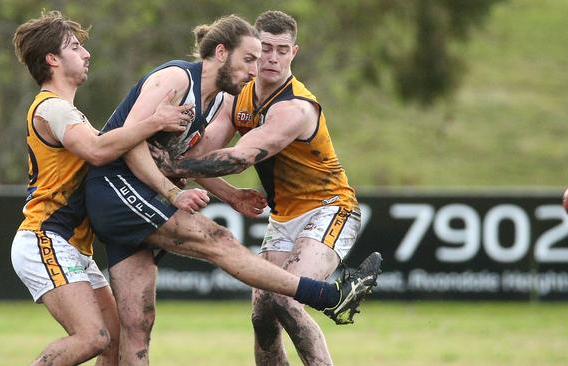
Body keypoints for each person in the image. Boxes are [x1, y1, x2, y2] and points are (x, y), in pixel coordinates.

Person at [84, 14, 381, 365]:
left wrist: (179, 174)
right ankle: (331, 296)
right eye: (259, 52)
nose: (267, 61)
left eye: (280, 51)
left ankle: (332, 297)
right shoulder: (219, 93)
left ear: (293, 53)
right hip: (271, 213)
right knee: (248, 290)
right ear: (225, 52)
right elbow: (196, 153)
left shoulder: (295, 108)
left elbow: (237, 157)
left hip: (329, 207)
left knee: (278, 302)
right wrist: (208, 190)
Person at [10, 10, 193, 366]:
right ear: (52, 60)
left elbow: (112, 149)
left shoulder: (67, 113)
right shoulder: (53, 108)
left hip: (73, 246)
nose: (86, 54)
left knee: (115, 340)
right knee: (92, 337)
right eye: (75, 47)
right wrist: (155, 121)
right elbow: (98, 151)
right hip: (45, 237)